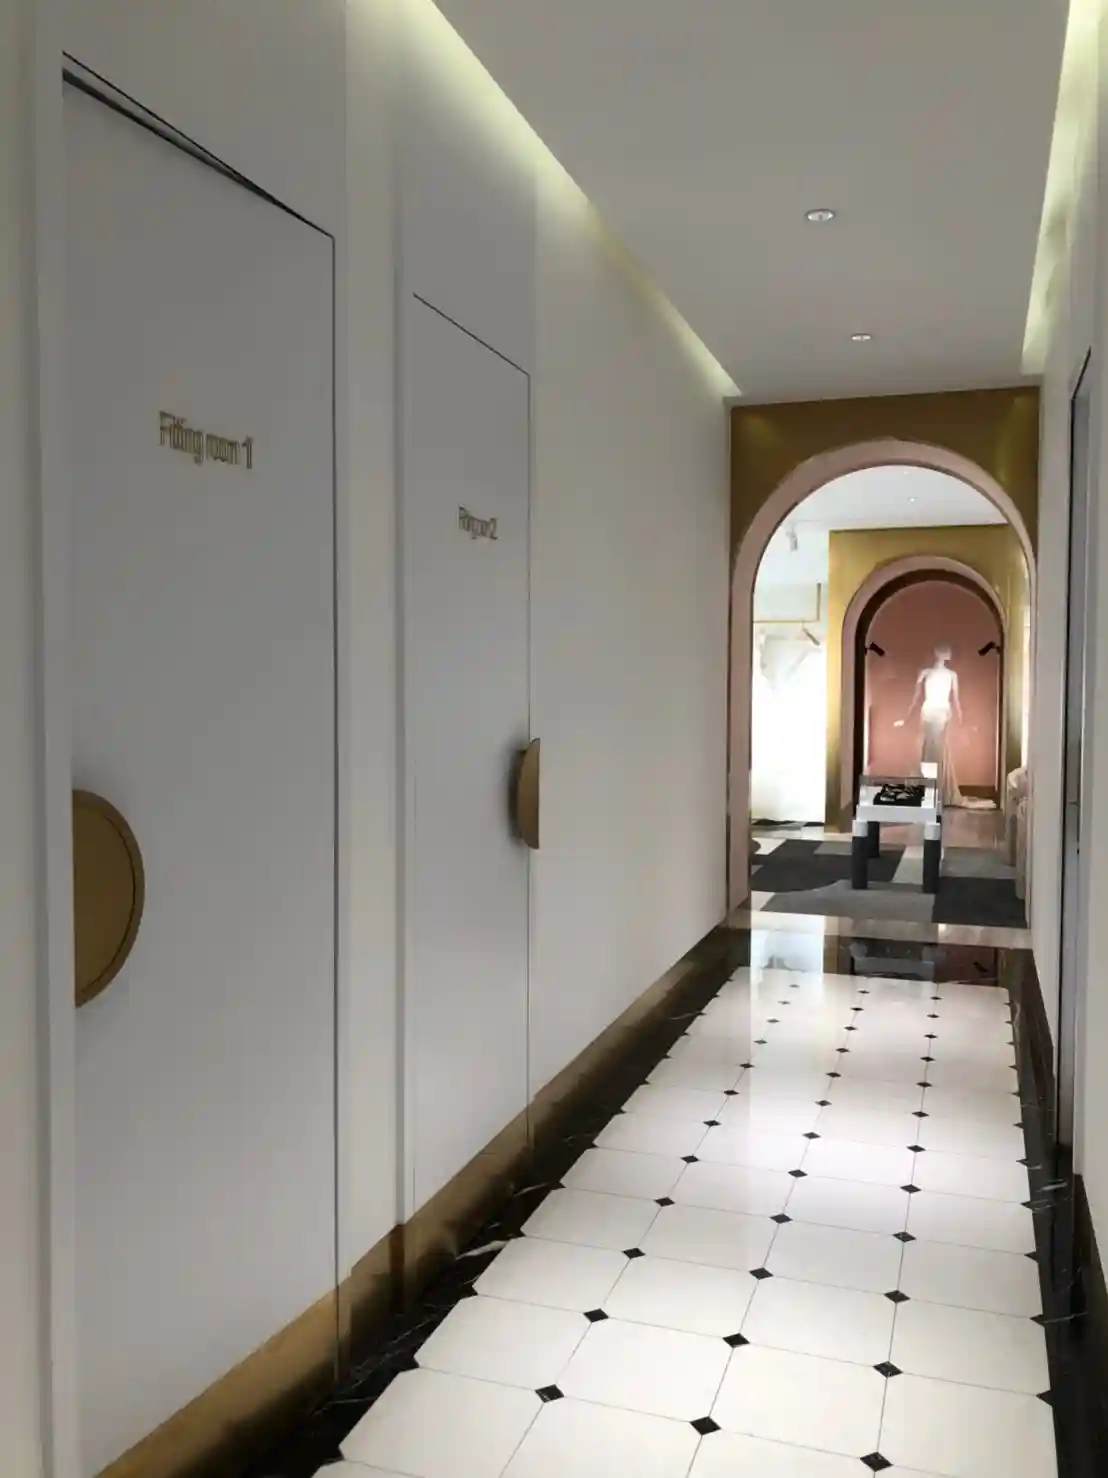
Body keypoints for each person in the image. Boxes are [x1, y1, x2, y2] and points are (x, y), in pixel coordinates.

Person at [894, 645, 963, 804]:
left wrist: (961, 721)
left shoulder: (949, 674)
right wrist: (906, 719)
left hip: (940, 713)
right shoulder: (927, 673)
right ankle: (930, 791)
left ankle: (936, 791)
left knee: (936, 751)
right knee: (930, 750)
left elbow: (955, 701)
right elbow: (916, 699)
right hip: (931, 712)